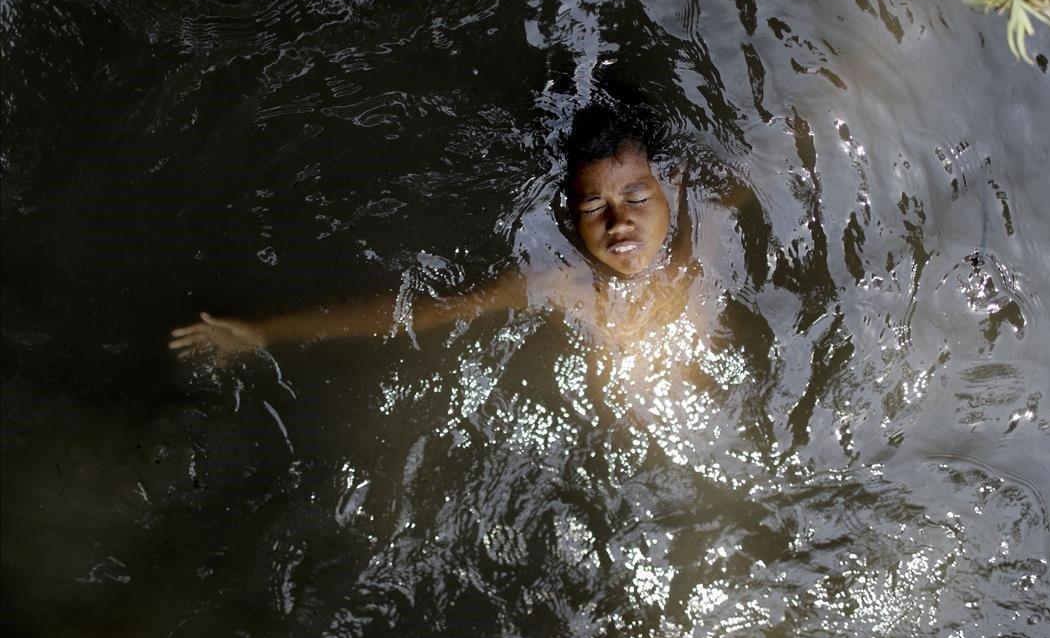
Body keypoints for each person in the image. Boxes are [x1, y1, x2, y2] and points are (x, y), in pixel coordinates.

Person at [169, 104, 699, 362]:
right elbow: (416, 313)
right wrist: (266, 334)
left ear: (668, 188)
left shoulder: (704, 230)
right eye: (593, 206)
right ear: (569, 215)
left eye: (635, 198)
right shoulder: (557, 282)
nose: (619, 221)